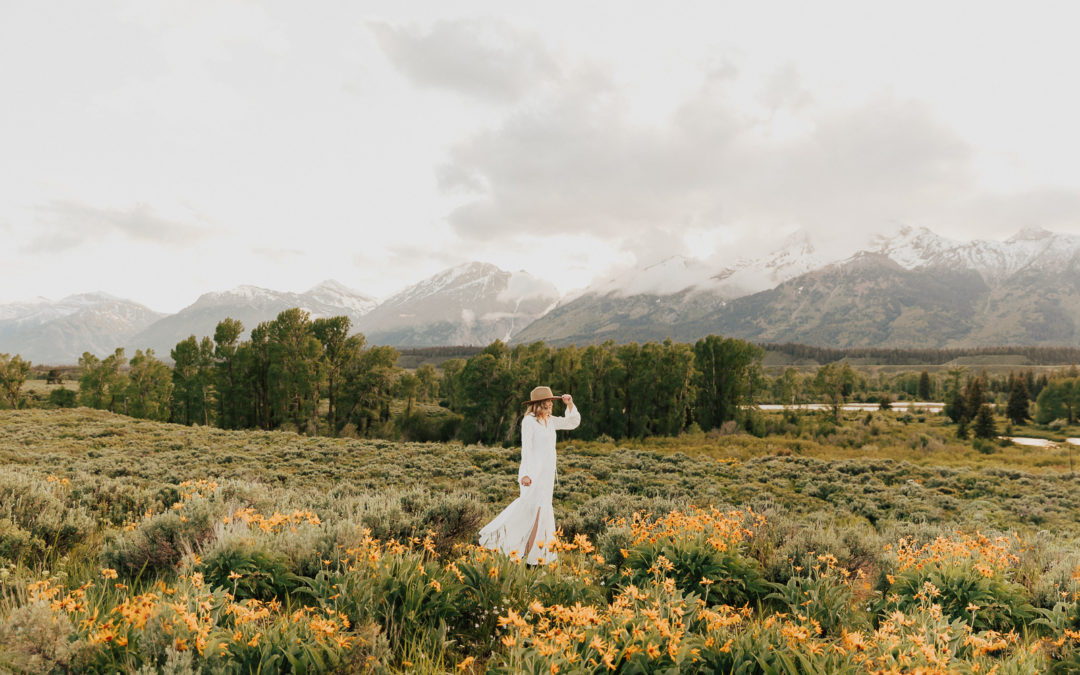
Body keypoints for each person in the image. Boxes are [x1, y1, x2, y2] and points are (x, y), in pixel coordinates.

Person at [478, 386, 580, 565]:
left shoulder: (549, 420)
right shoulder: (529, 421)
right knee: (530, 511)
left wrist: (570, 403)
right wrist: (524, 474)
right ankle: (508, 545)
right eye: (547, 402)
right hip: (533, 475)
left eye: (551, 401)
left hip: (547, 476)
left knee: (541, 514)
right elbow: (526, 449)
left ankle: (530, 556)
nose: (550, 404)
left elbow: (572, 422)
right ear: (538, 404)